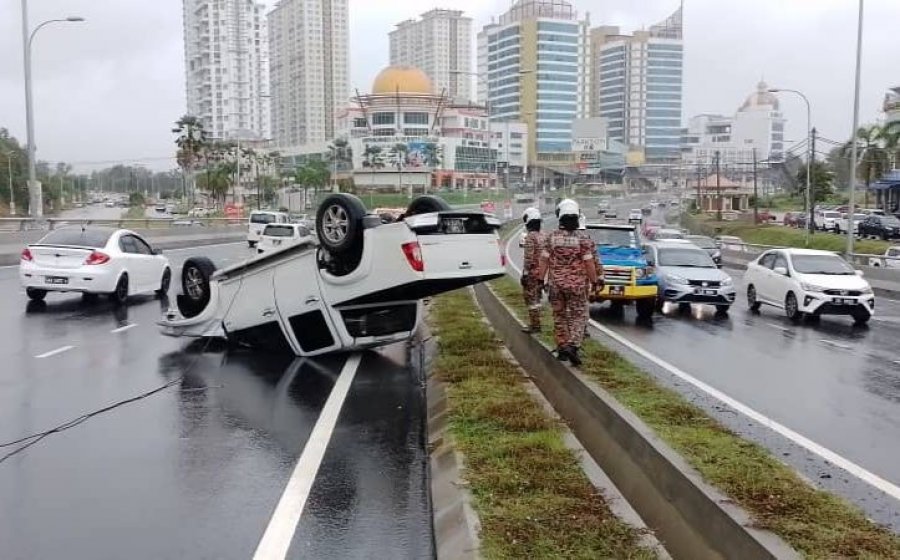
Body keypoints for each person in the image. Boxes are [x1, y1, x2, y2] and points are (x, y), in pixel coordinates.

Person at [538, 199, 598, 366]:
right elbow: (589, 263)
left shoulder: (551, 237)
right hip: (577, 287)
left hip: (556, 286)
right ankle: (573, 345)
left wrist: (540, 279)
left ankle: (562, 348)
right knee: (579, 316)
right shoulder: (583, 239)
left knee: (559, 316)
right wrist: (595, 281)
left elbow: (543, 260)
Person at [520, 207, 545, 333]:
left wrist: (524, 274)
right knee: (537, 298)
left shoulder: (530, 237)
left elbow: (528, 258)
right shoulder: (543, 236)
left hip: (532, 273)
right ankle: (538, 322)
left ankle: (535, 325)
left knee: (530, 299)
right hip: (542, 273)